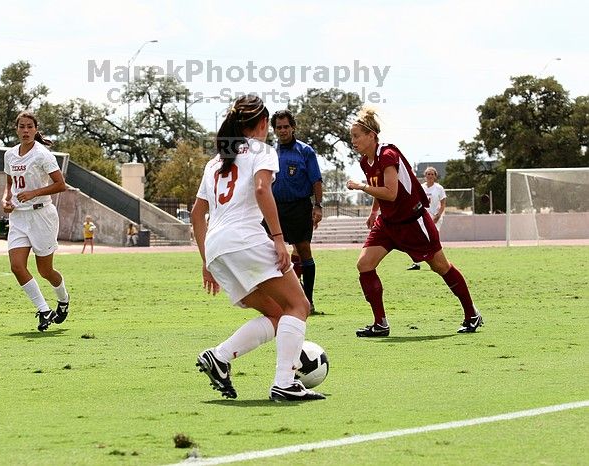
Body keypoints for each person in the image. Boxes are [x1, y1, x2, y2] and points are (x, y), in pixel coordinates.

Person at [191, 95, 325, 402]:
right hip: (245, 239)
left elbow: (198, 214)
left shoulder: (215, 161)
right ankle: (285, 383)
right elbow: (264, 189)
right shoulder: (262, 151)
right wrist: (278, 239)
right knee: (299, 306)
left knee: (278, 314)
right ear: (263, 124)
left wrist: (206, 261)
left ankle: (220, 356)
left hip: (217, 248)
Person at [346, 107, 483, 336]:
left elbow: (390, 192)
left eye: (356, 135)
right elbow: (380, 193)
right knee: (364, 264)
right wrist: (373, 213)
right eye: (352, 136)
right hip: (388, 223)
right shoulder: (365, 162)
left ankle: (472, 314)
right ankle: (380, 324)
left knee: (441, 267)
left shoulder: (388, 155)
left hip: (412, 222)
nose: (353, 141)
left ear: (371, 135)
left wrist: (361, 187)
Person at [2, 111, 70, 332]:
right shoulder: (10, 155)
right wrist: (6, 199)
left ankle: (63, 300)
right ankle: (43, 310)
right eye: (21, 126)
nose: (25, 131)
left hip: (42, 216)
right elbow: (9, 184)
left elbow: (61, 185)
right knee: (17, 266)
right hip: (19, 217)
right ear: (16, 129)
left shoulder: (43, 155)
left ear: (36, 129)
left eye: (29, 127)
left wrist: (34, 193)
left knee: (45, 271)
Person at [269, 109, 324, 314]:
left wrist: (318, 205)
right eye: (278, 127)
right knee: (270, 251)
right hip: (274, 208)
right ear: (274, 130)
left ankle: (308, 301)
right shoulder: (269, 153)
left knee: (303, 251)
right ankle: (281, 300)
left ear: (293, 127)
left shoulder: (305, 151)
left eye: (286, 126)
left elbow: (316, 180)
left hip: (300, 206)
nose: (282, 131)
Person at [407, 166, 446, 270]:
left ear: (435, 176)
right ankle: (417, 263)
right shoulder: (421, 187)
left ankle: (437, 262)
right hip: (422, 216)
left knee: (433, 239)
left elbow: (443, 204)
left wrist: (438, 216)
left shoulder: (439, 188)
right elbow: (416, 201)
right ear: (425, 176)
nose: (430, 176)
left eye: (432, 174)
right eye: (428, 174)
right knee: (418, 238)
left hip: (435, 217)